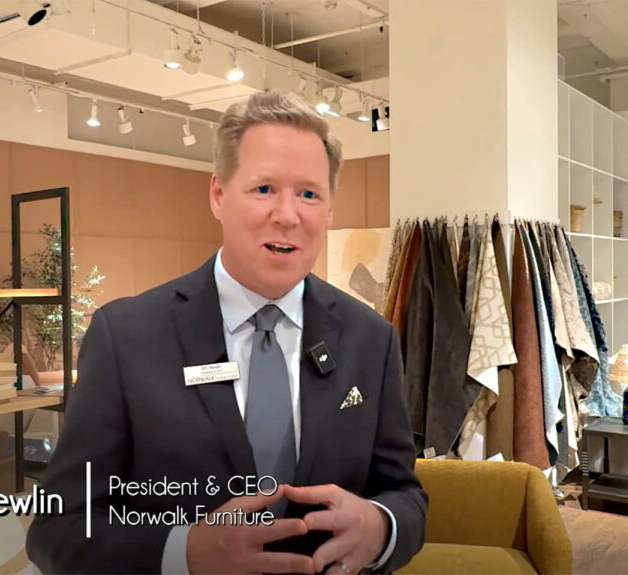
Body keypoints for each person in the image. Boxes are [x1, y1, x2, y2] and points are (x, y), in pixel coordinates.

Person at [25, 91, 427, 574]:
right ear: (218, 195)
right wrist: (184, 552)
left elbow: (405, 493)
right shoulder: (126, 337)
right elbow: (57, 527)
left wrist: (382, 527)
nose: (287, 214)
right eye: (263, 189)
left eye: (309, 193)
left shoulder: (371, 338)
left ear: (328, 211)